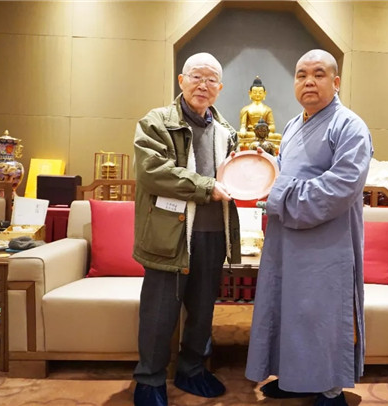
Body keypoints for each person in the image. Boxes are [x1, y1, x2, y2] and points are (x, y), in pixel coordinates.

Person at [245, 49, 373, 406]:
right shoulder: (291, 126)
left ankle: (330, 390)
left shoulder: (350, 127)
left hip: (326, 242)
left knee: (320, 314)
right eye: (302, 75)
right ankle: (295, 379)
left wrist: (279, 194)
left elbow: (341, 187)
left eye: (318, 74)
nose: (309, 82)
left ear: (336, 82)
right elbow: (280, 172)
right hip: (286, 239)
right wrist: (260, 171)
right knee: (289, 310)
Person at [132, 52, 241, 406]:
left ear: (220, 88)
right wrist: (206, 187)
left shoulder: (226, 131)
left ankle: (191, 368)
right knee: (159, 311)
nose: (203, 85)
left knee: (203, 308)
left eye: (211, 80)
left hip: (212, 233)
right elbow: (152, 172)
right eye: (196, 77)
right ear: (181, 81)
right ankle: (149, 380)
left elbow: (233, 176)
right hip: (169, 234)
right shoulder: (156, 123)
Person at [238, 76, 282, 150]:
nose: (257, 94)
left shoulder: (267, 109)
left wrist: (263, 128)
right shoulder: (246, 109)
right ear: (250, 93)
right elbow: (243, 126)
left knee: (278, 136)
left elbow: (272, 127)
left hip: (264, 134)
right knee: (238, 135)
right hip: (251, 133)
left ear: (264, 93)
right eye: (255, 92)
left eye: (260, 92)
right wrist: (243, 130)